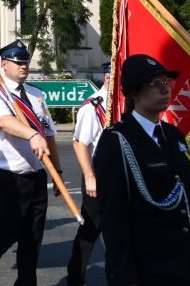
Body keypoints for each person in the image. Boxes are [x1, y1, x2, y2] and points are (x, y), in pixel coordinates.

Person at [94, 54, 190, 286]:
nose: (166, 89)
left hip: (183, 266)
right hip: (146, 269)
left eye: (168, 82)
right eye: (156, 84)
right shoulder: (116, 141)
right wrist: (125, 278)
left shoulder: (173, 135)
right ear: (135, 93)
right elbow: (114, 219)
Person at [0, 40, 62, 286]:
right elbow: (2, 121)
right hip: (9, 176)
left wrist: (57, 171)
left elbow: (49, 133)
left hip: (36, 175)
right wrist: (31, 134)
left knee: (32, 239)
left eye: (26, 62)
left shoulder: (36, 94)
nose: (24, 66)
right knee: (7, 232)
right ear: (4, 64)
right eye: (18, 62)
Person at [65, 62, 110, 286]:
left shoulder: (125, 104)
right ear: (108, 77)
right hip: (98, 177)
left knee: (121, 231)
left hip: (120, 178)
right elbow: (80, 144)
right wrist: (90, 177)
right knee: (90, 230)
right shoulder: (94, 107)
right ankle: (75, 277)